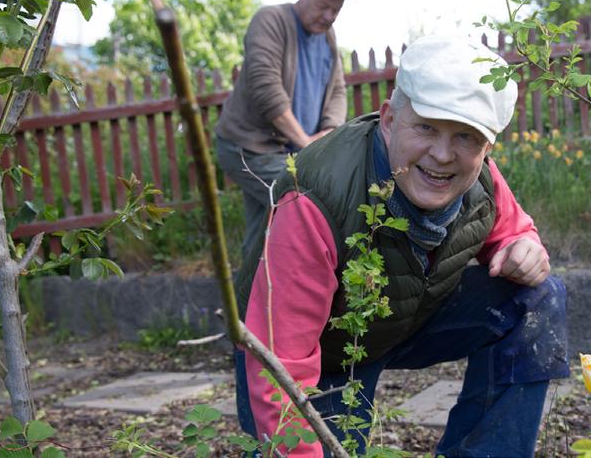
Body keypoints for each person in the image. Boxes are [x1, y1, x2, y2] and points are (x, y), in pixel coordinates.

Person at [233, 35, 570, 457]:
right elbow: (280, 362)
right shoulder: (314, 199)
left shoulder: (480, 182)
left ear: (487, 149)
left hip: (405, 320)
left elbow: (514, 229)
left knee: (538, 296)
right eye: (426, 127)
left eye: (466, 137)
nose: (443, 154)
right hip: (323, 351)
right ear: (390, 120)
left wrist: (524, 246)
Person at [214, 0, 349, 260]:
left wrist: (329, 131)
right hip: (249, 149)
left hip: (293, 150)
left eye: (336, 9)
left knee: (262, 231)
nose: (328, 16)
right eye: (323, 6)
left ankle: (245, 300)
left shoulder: (328, 36)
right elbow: (266, 90)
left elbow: (338, 89)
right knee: (310, 203)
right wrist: (307, 144)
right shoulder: (271, 21)